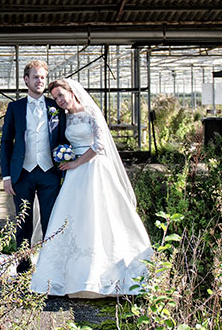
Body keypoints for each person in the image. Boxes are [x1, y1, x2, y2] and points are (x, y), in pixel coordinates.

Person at [29, 78, 153, 298]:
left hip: (95, 168)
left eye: (61, 95)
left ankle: (107, 275)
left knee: (101, 216)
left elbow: (99, 145)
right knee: (72, 218)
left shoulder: (92, 113)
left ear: (71, 91)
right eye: (56, 98)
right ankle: (69, 277)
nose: (59, 101)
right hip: (74, 173)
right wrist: (65, 155)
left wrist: (77, 162)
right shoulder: (65, 118)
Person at [0, 60, 67, 270]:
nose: (40, 81)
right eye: (36, 77)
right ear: (26, 79)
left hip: (50, 173)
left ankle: (50, 266)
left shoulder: (55, 106)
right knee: (23, 222)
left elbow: (65, 137)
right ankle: (23, 265)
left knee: (51, 220)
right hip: (22, 173)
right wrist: (6, 176)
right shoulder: (15, 107)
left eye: (43, 77)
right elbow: (5, 141)